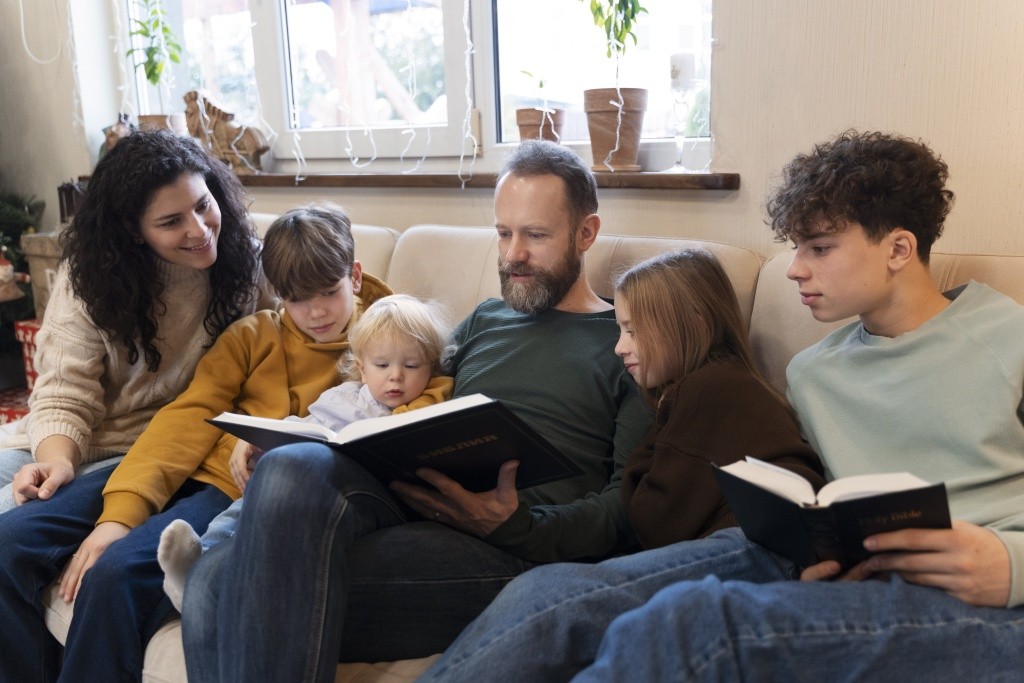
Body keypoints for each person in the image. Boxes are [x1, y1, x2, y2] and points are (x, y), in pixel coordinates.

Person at [417, 130, 1024, 682]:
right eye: (795, 248)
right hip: (848, 577)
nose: (794, 269)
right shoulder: (813, 373)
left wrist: (1011, 563)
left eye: (818, 248)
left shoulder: (1009, 337)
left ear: (898, 248)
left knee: (694, 623)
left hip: (990, 603)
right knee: (555, 595)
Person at [180, 139, 652, 682]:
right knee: (285, 471)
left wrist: (517, 526)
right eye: (503, 233)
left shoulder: (624, 343)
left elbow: (629, 506)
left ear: (586, 233)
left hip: (507, 550)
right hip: (409, 505)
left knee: (217, 583)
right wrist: (283, 435)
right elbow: (390, 383)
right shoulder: (486, 320)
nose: (512, 254)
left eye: (536, 235)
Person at [0, 203, 393, 682]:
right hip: (176, 465)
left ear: (354, 276)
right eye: (294, 299)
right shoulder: (253, 334)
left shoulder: (389, 345)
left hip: (231, 492)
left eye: (329, 293)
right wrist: (119, 516)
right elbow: (185, 418)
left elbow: (410, 417)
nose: (314, 313)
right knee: (9, 539)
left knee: (114, 576)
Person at [0, 128, 267, 513]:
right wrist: (56, 461)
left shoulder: (250, 265)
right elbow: (63, 392)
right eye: (171, 221)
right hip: (78, 441)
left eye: (203, 204)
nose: (199, 229)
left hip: (161, 449)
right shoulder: (89, 278)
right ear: (133, 230)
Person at [158, 293, 454, 610]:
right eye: (382, 365)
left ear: (430, 368)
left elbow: (439, 395)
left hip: (358, 500)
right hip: (308, 479)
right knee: (254, 497)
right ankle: (201, 554)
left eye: (411, 365)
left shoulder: (424, 404)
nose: (396, 375)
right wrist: (262, 440)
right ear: (362, 369)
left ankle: (211, 573)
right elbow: (306, 425)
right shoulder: (344, 397)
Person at [613, 248, 822, 549]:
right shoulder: (728, 379)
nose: (620, 347)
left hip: (752, 544)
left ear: (695, 321)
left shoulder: (708, 389)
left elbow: (655, 523)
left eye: (633, 330)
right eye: (620, 330)